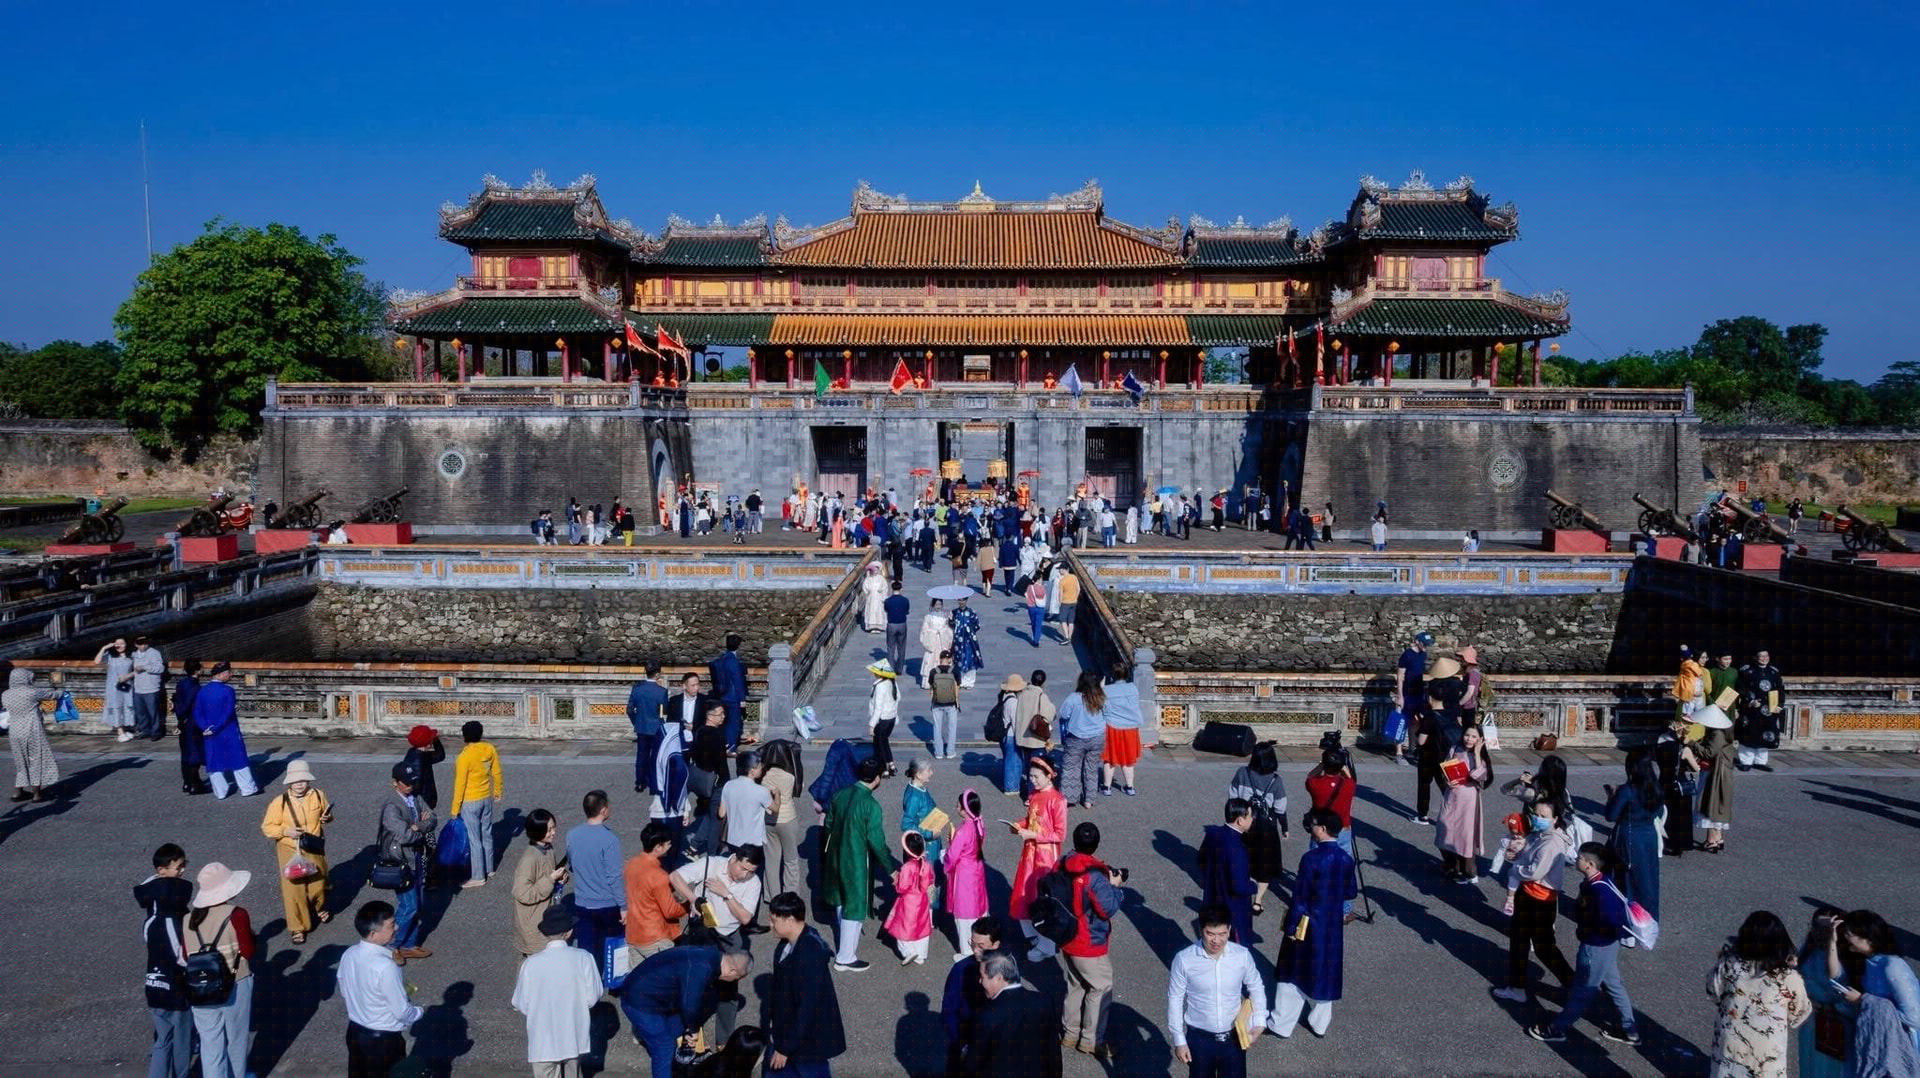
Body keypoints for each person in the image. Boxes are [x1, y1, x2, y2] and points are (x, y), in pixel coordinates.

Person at [1526, 842, 1640, 1044]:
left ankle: (1556, 1029)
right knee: (1613, 985)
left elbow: (1607, 919)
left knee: (1583, 990)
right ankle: (1629, 1030)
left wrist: (1587, 931)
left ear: (1589, 864)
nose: (1575, 859)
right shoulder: (1603, 881)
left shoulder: (1598, 890)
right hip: (1607, 946)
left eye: (1579, 857)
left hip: (1595, 947)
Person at [1272, 808, 1360, 1038]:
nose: (1311, 828)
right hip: (1332, 924)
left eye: (1314, 825)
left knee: (1291, 973)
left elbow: (1300, 898)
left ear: (1322, 829)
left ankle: (1281, 1024)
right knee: (1326, 971)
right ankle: (1319, 1023)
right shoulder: (1346, 859)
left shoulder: (1311, 858)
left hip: (1309, 922)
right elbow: (1351, 892)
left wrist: (1290, 926)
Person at [669, 845, 763, 1042]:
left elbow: (745, 918)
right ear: (734, 858)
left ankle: (724, 1041)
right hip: (703, 933)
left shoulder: (754, 882)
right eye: (743, 868)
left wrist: (726, 894)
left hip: (729, 936)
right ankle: (688, 1034)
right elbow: (675, 876)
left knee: (728, 991)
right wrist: (693, 898)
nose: (744, 875)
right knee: (693, 984)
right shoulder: (711, 864)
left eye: (750, 871)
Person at [618, 946, 751, 1078]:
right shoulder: (702, 969)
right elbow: (689, 1005)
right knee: (663, 1047)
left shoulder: (712, 955)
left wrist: (691, 1027)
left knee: (675, 1032)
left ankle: (671, 1055)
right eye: (737, 978)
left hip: (653, 991)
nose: (734, 981)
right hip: (638, 1001)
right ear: (733, 971)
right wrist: (694, 1031)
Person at [1708, 911, 1811, 1078]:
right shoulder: (1788, 977)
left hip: (1730, 1039)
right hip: (1765, 1047)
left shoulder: (1729, 963)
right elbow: (1799, 1012)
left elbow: (1713, 990)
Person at [1168, 905, 1266, 1078]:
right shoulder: (1184, 959)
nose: (1216, 941)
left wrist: (1259, 1023)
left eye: (1222, 934)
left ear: (1229, 930)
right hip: (1199, 1040)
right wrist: (1179, 1040)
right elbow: (1175, 998)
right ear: (1201, 930)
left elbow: (1256, 986)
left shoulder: (1242, 955)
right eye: (1210, 934)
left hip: (1234, 1039)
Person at [1493, 797, 1575, 1003]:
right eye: (1536, 814)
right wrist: (1516, 856)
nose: (1538, 819)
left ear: (1555, 818)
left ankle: (1521, 988)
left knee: (1532, 945)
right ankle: (1572, 984)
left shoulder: (1550, 843)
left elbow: (1534, 871)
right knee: (1538, 945)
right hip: (1538, 897)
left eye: (1543, 816)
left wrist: (1515, 868)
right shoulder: (1546, 835)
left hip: (1536, 898)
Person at [1059, 821, 1125, 1061]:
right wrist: (1115, 887)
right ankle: (1091, 1040)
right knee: (1101, 987)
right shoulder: (1094, 876)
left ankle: (1070, 1033)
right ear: (1096, 845)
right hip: (1088, 941)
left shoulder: (1063, 863)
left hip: (1066, 936)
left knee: (1075, 983)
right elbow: (1107, 909)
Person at [822, 757, 895, 972]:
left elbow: (828, 824)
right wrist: (891, 869)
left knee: (841, 901)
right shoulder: (871, 805)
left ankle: (844, 950)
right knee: (855, 908)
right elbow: (877, 842)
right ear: (877, 779)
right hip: (856, 860)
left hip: (835, 855)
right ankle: (846, 957)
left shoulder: (840, 794)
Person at [512, 905, 601, 1078]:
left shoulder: (530, 964)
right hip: (573, 1035)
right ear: (569, 932)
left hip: (542, 1041)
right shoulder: (583, 958)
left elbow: (521, 1003)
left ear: (545, 933)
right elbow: (592, 998)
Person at [185, 862, 256, 1078]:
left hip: (199, 987)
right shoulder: (237, 914)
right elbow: (248, 951)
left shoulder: (188, 919)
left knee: (209, 1043)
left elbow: (185, 955)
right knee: (236, 1038)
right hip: (235, 982)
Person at [765, 891, 846, 1078]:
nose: (770, 925)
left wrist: (785, 1048)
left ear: (789, 920)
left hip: (809, 1042)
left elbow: (807, 1007)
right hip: (790, 1034)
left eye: (774, 920)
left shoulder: (810, 953)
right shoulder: (788, 943)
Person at [338, 900, 423, 1078]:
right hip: (383, 1042)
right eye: (391, 925)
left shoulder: (349, 954)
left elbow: (345, 990)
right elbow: (401, 1011)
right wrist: (418, 1012)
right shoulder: (386, 966)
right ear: (373, 933)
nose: (397, 927)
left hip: (354, 1033)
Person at [1830, 909, 1920, 1064]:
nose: (1845, 936)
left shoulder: (1893, 966)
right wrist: (1831, 941)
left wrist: (1863, 1001)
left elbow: (1914, 1018)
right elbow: (1836, 976)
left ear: (1869, 937)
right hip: (1881, 1045)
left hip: (1902, 1051)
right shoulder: (1866, 961)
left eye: (1850, 933)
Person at [260, 759, 333, 944]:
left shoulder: (318, 795)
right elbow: (267, 827)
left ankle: (319, 906)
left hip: (312, 845)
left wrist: (327, 818)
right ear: (289, 782)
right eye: (295, 780)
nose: (300, 784)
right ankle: (297, 927)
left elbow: (327, 815)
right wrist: (286, 831)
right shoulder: (279, 802)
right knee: (293, 889)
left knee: (318, 883)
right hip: (289, 848)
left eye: (304, 780)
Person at [138, 843, 194, 1078]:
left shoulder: (150, 918)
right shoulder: (171, 918)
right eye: (178, 867)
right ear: (162, 870)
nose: (182, 871)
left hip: (154, 986)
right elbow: (180, 956)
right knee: (182, 1042)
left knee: (162, 1041)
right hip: (174, 988)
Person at [1009, 757, 1068, 960]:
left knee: (1043, 899)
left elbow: (1060, 834)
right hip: (1030, 853)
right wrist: (1018, 825)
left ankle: (1047, 947)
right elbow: (1030, 819)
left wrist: (1033, 835)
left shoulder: (1058, 800)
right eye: (1031, 776)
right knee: (1025, 893)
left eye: (1036, 776)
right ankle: (1035, 934)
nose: (1032, 780)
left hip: (1046, 857)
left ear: (1049, 776)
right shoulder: (1035, 794)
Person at [972, 950, 1062, 1078]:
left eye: (983, 976)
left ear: (998, 977)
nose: (980, 981)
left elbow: (975, 1062)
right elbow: (1053, 1051)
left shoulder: (987, 1015)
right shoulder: (1043, 1002)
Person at [378, 763, 435, 961]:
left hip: (417, 857)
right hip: (400, 861)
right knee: (409, 905)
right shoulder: (391, 806)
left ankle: (409, 944)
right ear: (395, 783)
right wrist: (421, 828)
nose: (411, 785)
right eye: (406, 782)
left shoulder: (415, 797)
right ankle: (391, 945)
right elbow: (404, 836)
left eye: (413, 781)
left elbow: (433, 818)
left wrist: (417, 826)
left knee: (419, 902)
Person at [564, 789, 624, 966]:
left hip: (582, 903)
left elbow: (572, 865)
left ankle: (589, 979)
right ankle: (610, 979)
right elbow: (614, 877)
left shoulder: (572, 834)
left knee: (587, 951)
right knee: (612, 948)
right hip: (608, 904)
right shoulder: (610, 839)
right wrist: (624, 905)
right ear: (603, 810)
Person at [1230, 743, 1288, 916]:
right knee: (1264, 865)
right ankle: (1257, 902)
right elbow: (1280, 808)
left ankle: (1243, 893)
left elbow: (1232, 797)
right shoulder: (1276, 780)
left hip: (1243, 824)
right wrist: (1284, 827)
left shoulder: (1242, 773)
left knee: (1244, 860)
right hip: (1266, 829)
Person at [1604, 754, 1662, 922]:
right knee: (1648, 879)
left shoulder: (1627, 790)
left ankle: (1626, 920)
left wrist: (1611, 798)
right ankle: (1648, 919)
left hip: (1628, 837)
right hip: (1649, 836)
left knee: (1625, 879)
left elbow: (1611, 816)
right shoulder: (1656, 788)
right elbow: (1658, 812)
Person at [941, 916, 1003, 1074]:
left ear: (996, 945)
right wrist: (962, 1046)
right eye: (972, 943)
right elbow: (948, 1011)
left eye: (981, 946)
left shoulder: (1007, 969)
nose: (975, 950)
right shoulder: (960, 969)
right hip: (966, 1042)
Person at [1304, 748, 1360, 921]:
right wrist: (1343, 766)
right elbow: (1351, 778)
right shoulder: (1348, 785)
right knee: (1343, 870)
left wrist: (1321, 764)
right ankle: (1344, 911)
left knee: (1316, 869)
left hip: (1320, 830)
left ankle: (1315, 906)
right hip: (1343, 830)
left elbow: (1310, 776)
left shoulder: (1315, 784)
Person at [621, 821, 686, 965]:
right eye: (668, 844)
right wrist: (687, 906)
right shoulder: (659, 875)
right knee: (662, 977)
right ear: (658, 847)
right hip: (655, 938)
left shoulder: (630, 865)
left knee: (638, 977)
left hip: (633, 935)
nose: (670, 846)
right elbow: (670, 911)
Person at [448, 720, 504, 887]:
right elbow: (497, 772)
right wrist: (497, 791)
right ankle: (489, 868)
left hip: (470, 800)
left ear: (465, 736)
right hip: (486, 797)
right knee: (486, 833)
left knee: (474, 839)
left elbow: (460, 784)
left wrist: (455, 808)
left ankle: (478, 876)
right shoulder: (490, 749)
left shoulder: (464, 756)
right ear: (481, 734)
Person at [1797, 907, 1851, 1078]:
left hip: (1834, 1021)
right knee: (1809, 1066)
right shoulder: (1808, 947)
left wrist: (1832, 943)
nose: (1820, 933)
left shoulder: (1844, 954)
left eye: (1826, 929)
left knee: (1830, 1070)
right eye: (1816, 927)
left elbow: (1835, 978)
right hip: (1810, 1020)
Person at [1435, 724, 1492, 883]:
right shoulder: (1455, 749)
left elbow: (1480, 776)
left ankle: (1468, 872)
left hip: (1469, 799)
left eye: (1474, 736)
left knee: (1464, 836)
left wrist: (1477, 753)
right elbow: (1445, 768)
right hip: (1452, 795)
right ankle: (1451, 864)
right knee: (1443, 828)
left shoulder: (1480, 756)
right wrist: (1447, 780)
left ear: (1480, 739)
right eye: (1467, 735)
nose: (1469, 739)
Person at [1198, 799, 1258, 945]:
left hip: (1212, 900)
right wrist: (1253, 885)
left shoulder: (1212, 833)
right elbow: (1239, 887)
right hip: (1233, 909)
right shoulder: (1238, 849)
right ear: (1240, 820)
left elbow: (1201, 860)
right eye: (1250, 816)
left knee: (1212, 944)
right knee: (1234, 948)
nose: (1252, 819)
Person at [193, 663, 257, 798]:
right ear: (220, 674)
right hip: (228, 730)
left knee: (214, 761)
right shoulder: (228, 690)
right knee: (238, 760)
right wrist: (216, 728)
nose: (230, 675)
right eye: (229, 672)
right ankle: (248, 789)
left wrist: (205, 727)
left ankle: (220, 792)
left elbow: (197, 712)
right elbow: (228, 713)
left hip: (209, 731)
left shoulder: (202, 691)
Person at [513, 809, 568, 958]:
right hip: (534, 925)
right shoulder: (529, 860)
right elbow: (522, 893)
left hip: (545, 918)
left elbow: (551, 872)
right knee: (534, 965)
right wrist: (550, 879)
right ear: (537, 831)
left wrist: (561, 876)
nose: (553, 832)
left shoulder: (548, 848)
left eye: (554, 827)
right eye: (549, 830)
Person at [943, 789, 990, 955]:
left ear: (965, 810)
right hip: (977, 868)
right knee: (978, 907)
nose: (956, 808)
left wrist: (945, 859)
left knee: (963, 913)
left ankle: (966, 952)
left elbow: (952, 856)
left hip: (964, 873)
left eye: (958, 806)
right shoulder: (979, 823)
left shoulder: (962, 831)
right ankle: (982, 946)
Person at [4, 667, 61, 802]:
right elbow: (52, 695)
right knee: (36, 760)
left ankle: (18, 793)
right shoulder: (32, 692)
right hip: (32, 729)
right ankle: (36, 794)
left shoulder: (5, 694)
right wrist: (61, 692)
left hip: (15, 731)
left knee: (20, 761)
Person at [759, 740, 804, 899]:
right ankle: (791, 895)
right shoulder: (790, 776)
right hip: (788, 820)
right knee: (791, 860)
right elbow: (798, 790)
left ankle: (771, 896)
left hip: (768, 820)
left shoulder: (763, 776)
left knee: (771, 861)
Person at [1056, 672, 1107, 808]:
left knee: (1071, 767)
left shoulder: (1074, 698)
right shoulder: (1101, 697)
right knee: (1091, 768)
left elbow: (1064, 714)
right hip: (1097, 737)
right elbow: (1108, 714)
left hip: (1076, 737)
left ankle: (1070, 797)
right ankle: (1089, 800)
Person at [686, 704, 731, 855]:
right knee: (717, 819)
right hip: (716, 781)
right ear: (710, 716)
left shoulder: (699, 731)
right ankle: (712, 855)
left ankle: (694, 845)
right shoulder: (717, 734)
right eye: (720, 714)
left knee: (710, 814)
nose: (723, 717)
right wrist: (726, 781)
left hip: (702, 780)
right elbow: (721, 762)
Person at [884, 831, 935, 965]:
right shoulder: (926, 864)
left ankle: (908, 952)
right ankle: (921, 954)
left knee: (902, 927)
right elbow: (930, 880)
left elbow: (902, 887)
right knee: (921, 926)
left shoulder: (907, 867)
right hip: (922, 900)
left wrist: (897, 881)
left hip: (908, 902)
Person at [1654, 714, 1700, 857]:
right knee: (1681, 816)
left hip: (1663, 781)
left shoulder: (1659, 744)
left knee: (1666, 814)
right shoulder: (1683, 749)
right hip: (1679, 784)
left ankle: (1664, 840)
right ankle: (1679, 845)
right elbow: (1696, 768)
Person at [1694, 704, 1737, 853]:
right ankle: (1718, 838)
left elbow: (1709, 753)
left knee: (1710, 802)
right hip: (1722, 772)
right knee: (1718, 804)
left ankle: (1711, 840)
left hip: (1716, 773)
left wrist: (1691, 744)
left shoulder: (1717, 733)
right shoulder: (1723, 731)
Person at [1735, 649, 1785, 772]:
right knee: (1749, 734)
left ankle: (1760, 762)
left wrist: (1780, 705)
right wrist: (1750, 701)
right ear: (1755, 658)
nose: (1764, 658)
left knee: (1765, 734)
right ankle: (1746, 761)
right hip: (1751, 709)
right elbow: (1740, 688)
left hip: (1769, 709)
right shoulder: (1746, 671)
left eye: (1766, 656)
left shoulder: (1774, 671)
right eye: (1761, 656)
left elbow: (1780, 689)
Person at [1099, 660, 1143, 797]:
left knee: (1110, 758)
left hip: (1113, 726)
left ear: (1113, 675)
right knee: (1128, 759)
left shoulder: (1107, 690)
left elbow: (1104, 710)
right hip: (1131, 727)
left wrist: (1101, 688)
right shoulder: (1133, 688)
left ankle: (1107, 787)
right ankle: (1130, 787)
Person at [718, 749, 773, 856]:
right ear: (752, 770)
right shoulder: (761, 790)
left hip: (732, 840)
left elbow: (721, 813)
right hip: (753, 842)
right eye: (759, 766)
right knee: (751, 866)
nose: (762, 768)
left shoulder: (728, 785)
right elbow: (774, 809)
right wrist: (777, 795)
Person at [900, 757, 945, 887]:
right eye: (928, 770)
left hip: (931, 843)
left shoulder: (919, 788)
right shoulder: (914, 797)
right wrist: (929, 834)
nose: (931, 772)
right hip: (926, 846)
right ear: (919, 775)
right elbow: (907, 824)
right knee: (927, 883)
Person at [1013, 669, 1057, 799]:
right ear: (1043, 682)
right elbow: (1050, 714)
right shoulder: (1041, 695)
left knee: (1028, 767)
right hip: (1036, 739)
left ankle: (1029, 793)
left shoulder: (1022, 693)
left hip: (1023, 738)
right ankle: (1032, 796)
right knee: (1037, 770)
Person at [627, 663, 668, 795]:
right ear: (657, 674)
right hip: (656, 727)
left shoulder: (637, 689)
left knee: (641, 755)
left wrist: (636, 722)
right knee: (655, 756)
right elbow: (664, 711)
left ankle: (640, 782)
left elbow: (629, 710)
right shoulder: (661, 691)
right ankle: (654, 783)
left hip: (642, 726)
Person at [172, 659, 211, 794]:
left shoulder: (181, 683)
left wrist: (180, 720)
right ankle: (195, 784)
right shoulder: (195, 687)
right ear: (197, 670)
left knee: (186, 753)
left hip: (184, 722)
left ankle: (187, 782)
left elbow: (177, 702)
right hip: (193, 722)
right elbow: (188, 704)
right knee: (195, 753)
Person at [1393, 632, 1431, 767]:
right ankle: (1398, 753)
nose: (1426, 646)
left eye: (1427, 644)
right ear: (1417, 642)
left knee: (1416, 721)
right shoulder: (1407, 655)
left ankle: (1411, 749)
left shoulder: (1423, 654)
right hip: (1407, 693)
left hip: (1419, 693)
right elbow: (1400, 676)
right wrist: (1400, 696)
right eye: (1424, 644)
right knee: (1401, 722)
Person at [708, 633, 750, 749]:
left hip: (722, 695)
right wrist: (742, 699)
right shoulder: (733, 661)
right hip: (733, 697)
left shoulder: (722, 658)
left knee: (723, 722)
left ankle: (724, 744)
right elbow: (738, 681)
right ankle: (731, 746)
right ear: (738, 646)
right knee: (733, 723)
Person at [97, 636, 135, 741]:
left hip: (127, 686)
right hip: (113, 687)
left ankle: (125, 730)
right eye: (117, 644)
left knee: (126, 707)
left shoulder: (132, 656)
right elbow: (97, 661)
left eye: (122, 643)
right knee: (116, 707)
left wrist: (127, 676)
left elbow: (137, 669)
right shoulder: (110, 656)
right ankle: (120, 732)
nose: (119, 646)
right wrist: (104, 647)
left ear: (126, 644)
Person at [401, 724, 447, 810]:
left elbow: (440, 756)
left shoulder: (420, 753)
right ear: (428, 743)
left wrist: (436, 740)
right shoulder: (418, 759)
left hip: (425, 800)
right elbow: (416, 786)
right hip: (423, 803)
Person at [927, 651, 960, 761]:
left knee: (937, 728)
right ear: (950, 659)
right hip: (951, 703)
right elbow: (957, 687)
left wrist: (932, 700)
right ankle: (950, 752)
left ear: (940, 659)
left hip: (937, 703)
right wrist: (957, 701)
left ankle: (939, 753)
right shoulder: (955, 671)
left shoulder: (933, 671)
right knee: (952, 728)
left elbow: (931, 688)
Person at [131, 635, 166, 740]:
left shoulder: (154, 653)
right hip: (138, 688)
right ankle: (145, 731)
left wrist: (145, 667)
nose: (143, 646)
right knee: (140, 713)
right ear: (136, 644)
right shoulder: (134, 654)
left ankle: (156, 732)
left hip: (151, 688)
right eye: (140, 644)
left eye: (145, 643)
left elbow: (160, 668)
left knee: (153, 712)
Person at [918, 598, 952, 690]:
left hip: (941, 641)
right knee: (931, 659)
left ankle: (944, 681)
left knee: (943, 658)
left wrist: (943, 631)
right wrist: (933, 632)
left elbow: (948, 628)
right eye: (936, 604)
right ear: (933, 605)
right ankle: (929, 682)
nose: (938, 606)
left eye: (940, 604)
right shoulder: (928, 616)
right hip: (932, 641)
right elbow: (924, 630)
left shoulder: (945, 616)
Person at [951, 596, 983, 689]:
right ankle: (960, 680)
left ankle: (970, 681)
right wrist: (951, 621)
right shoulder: (954, 612)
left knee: (970, 659)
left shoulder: (971, 612)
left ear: (966, 600)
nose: (961, 602)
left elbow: (977, 625)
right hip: (958, 641)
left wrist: (969, 631)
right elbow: (950, 625)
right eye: (960, 600)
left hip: (970, 641)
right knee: (959, 659)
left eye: (963, 600)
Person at [883, 579, 911, 672]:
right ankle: (899, 669)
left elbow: (886, 610)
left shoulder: (887, 601)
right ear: (901, 589)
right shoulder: (905, 600)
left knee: (890, 647)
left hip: (891, 624)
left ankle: (891, 668)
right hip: (902, 624)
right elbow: (907, 611)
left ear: (892, 589)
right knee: (901, 647)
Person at [1055, 563, 1082, 643]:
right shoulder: (1074, 577)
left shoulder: (1062, 581)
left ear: (1063, 570)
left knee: (1063, 620)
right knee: (1071, 621)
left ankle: (1066, 637)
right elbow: (1078, 589)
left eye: (1060, 569)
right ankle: (1070, 637)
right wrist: (1075, 597)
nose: (1059, 571)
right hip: (1074, 602)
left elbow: (1060, 594)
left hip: (1065, 602)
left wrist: (1059, 603)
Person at [859, 562, 888, 633]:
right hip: (871, 598)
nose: (875, 571)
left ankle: (879, 627)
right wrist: (868, 592)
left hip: (879, 598)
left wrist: (882, 592)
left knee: (879, 612)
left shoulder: (881, 579)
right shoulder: (868, 579)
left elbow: (885, 587)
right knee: (871, 612)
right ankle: (871, 627)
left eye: (876, 570)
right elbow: (865, 587)